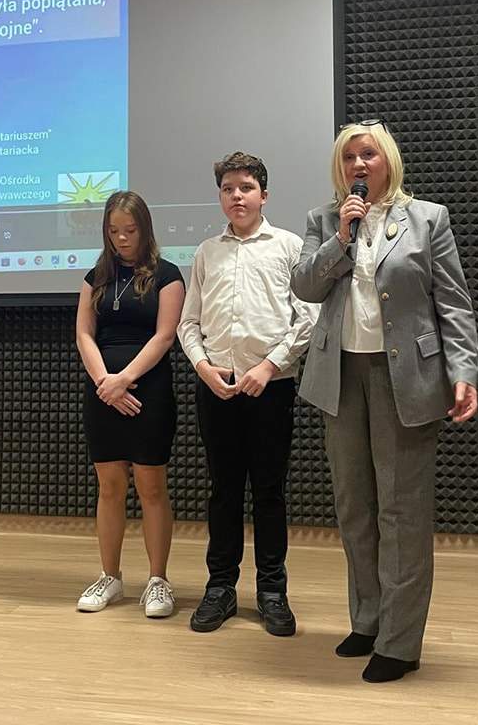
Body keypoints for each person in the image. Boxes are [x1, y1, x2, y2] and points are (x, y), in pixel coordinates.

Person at [291, 120, 478, 683]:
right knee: (354, 507)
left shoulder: (428, 219)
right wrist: (340, 239)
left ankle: (400, 641)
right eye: (349, 156)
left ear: (388, 160)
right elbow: (304, 286)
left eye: (368, 154)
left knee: (402, 511)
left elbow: (453, 303)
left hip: (407, 378)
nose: (358, 164)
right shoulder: (324, 220)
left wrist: (463, 371)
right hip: (340, 375)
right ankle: (368, 620)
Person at [177, 152, 316, 636]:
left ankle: (272, 591)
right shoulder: (206, 252)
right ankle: (220, 588)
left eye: (246, 187)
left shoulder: (289, 247)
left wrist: (268, 366)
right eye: (228, 189)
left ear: (264, 195)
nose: (236, 196)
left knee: (269, 492)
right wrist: (202, 367)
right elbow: (189, 322)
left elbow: (307, 318)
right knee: (223, 491)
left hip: (270, 390)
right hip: (216, 388)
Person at [75, 191, 186, 618]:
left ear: (145, 229)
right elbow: (84, 334)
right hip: (102, 392)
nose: (122, 238)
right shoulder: (95, 278)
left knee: (151, 485)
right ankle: (110, 576)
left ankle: (158, 580)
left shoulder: (167, 275)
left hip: (147, 391)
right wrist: (105, 382)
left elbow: (164, 336)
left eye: (130, 230)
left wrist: (124, 379)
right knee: (109, 487)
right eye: (114, 231)